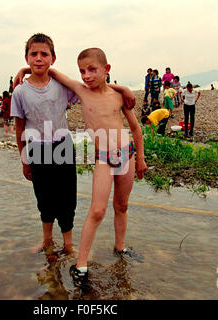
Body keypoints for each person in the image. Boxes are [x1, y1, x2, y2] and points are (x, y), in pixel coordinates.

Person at [11, 34, 136, 259]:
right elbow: (19, 127)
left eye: (44, 54)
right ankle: (47, 241)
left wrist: (123, 88)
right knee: (44, 197)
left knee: (67, 197)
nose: (39, 58)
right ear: (26, 57)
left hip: (63, 146)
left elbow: (94, 88)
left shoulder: (61, 86)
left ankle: (68, 245)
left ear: (53, 58)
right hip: (36, 149)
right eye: (33, 54)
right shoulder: (20, 91)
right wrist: (23, 159)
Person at [39, 48, 146, 287]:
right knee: (97, 210)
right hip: (103, 158)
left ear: (106, 70)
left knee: (122, 205)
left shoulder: (119, 96)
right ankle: (81, 263)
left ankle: (120, 247)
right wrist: (25, 70)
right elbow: (55, 73)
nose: (86, 75)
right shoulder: (82, 91)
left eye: (92, 70)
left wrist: (141, 158)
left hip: (127, 154)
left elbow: (136, 129)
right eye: (82, 71)